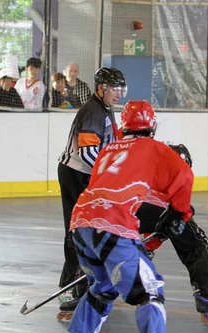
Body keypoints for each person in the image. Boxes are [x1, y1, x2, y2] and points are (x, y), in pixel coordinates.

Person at [64, 99, 195, 333]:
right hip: (113, 225)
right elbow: (183, 174)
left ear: (125, 126)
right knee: (148, 291)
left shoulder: (109, 149)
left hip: (81, 223)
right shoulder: (155, 148)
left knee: (103, 287)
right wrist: (180, 212)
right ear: (153, 125)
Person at [58, 144, 208, 325]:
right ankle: (207, 298)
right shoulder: (176, 172)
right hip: (154, 208)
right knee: (198, 244)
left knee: (101, 245)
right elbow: (169, 218)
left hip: (104, 209)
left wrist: (142, 248)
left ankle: (81, 295)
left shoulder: (138, 162)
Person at [137, 144, 208, 324]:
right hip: (161, 206)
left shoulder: (149, 165)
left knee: (118, 245)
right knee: (198, 245)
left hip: (131, 201)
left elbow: (153, 229)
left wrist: (146, 247)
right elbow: (177, 210)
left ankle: (89, 289)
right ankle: (207, 298)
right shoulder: (180, 170)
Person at [57, 67, 127, 303]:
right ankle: (68, 284)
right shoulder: (93, 112)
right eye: (115, 89)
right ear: (101, 88)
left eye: (121, 89)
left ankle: (87, 279)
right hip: (76, 175)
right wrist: (107, 177)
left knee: (92, 227)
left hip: (87, 175)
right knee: (76, 227)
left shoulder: (106, 109)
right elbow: (88, 153)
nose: (119, 94)